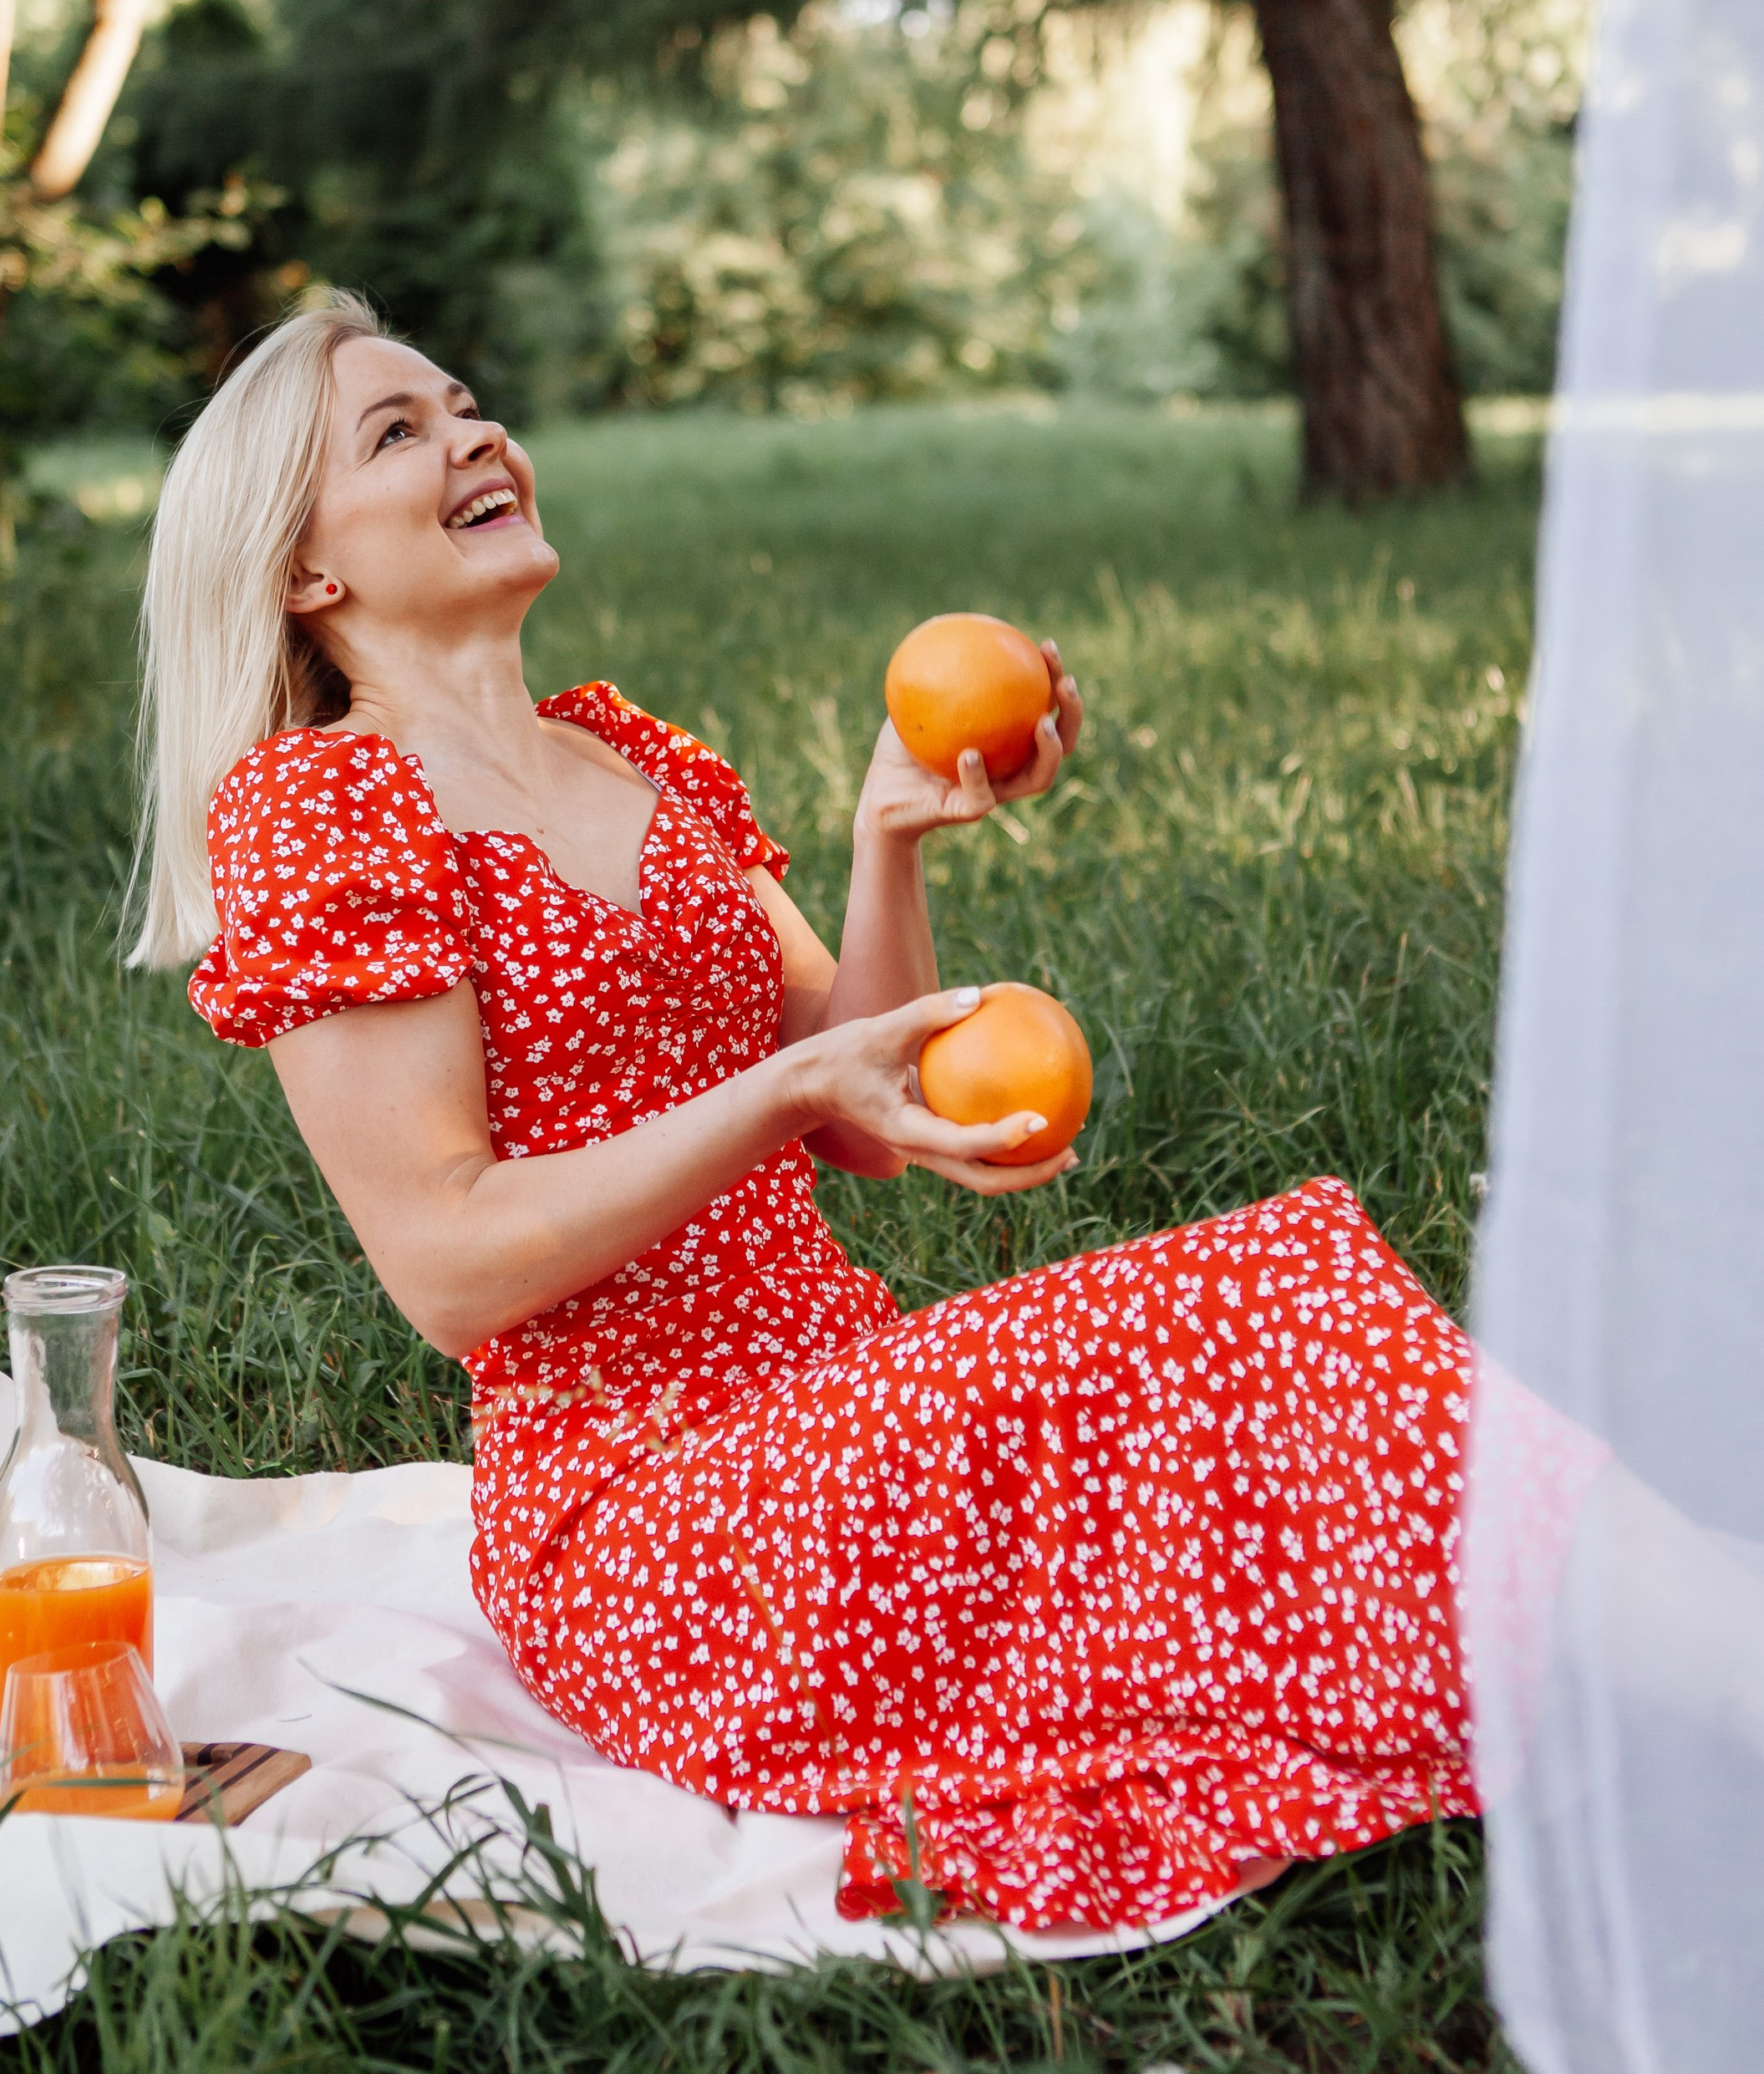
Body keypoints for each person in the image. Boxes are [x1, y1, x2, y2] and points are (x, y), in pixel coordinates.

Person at [130, 293, 1477, 1934]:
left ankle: (1615, 1644)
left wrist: (886, 840)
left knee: (1277, 1353)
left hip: (838, 1398)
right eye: (397, 432)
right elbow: (451, 1264)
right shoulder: (322, 811)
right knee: (1262, 1298)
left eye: (467, 403)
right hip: (649, 1524)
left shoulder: (629, 758)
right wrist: (781, 1092)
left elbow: (858, 1109)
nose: (473, 435)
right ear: (303, 572)